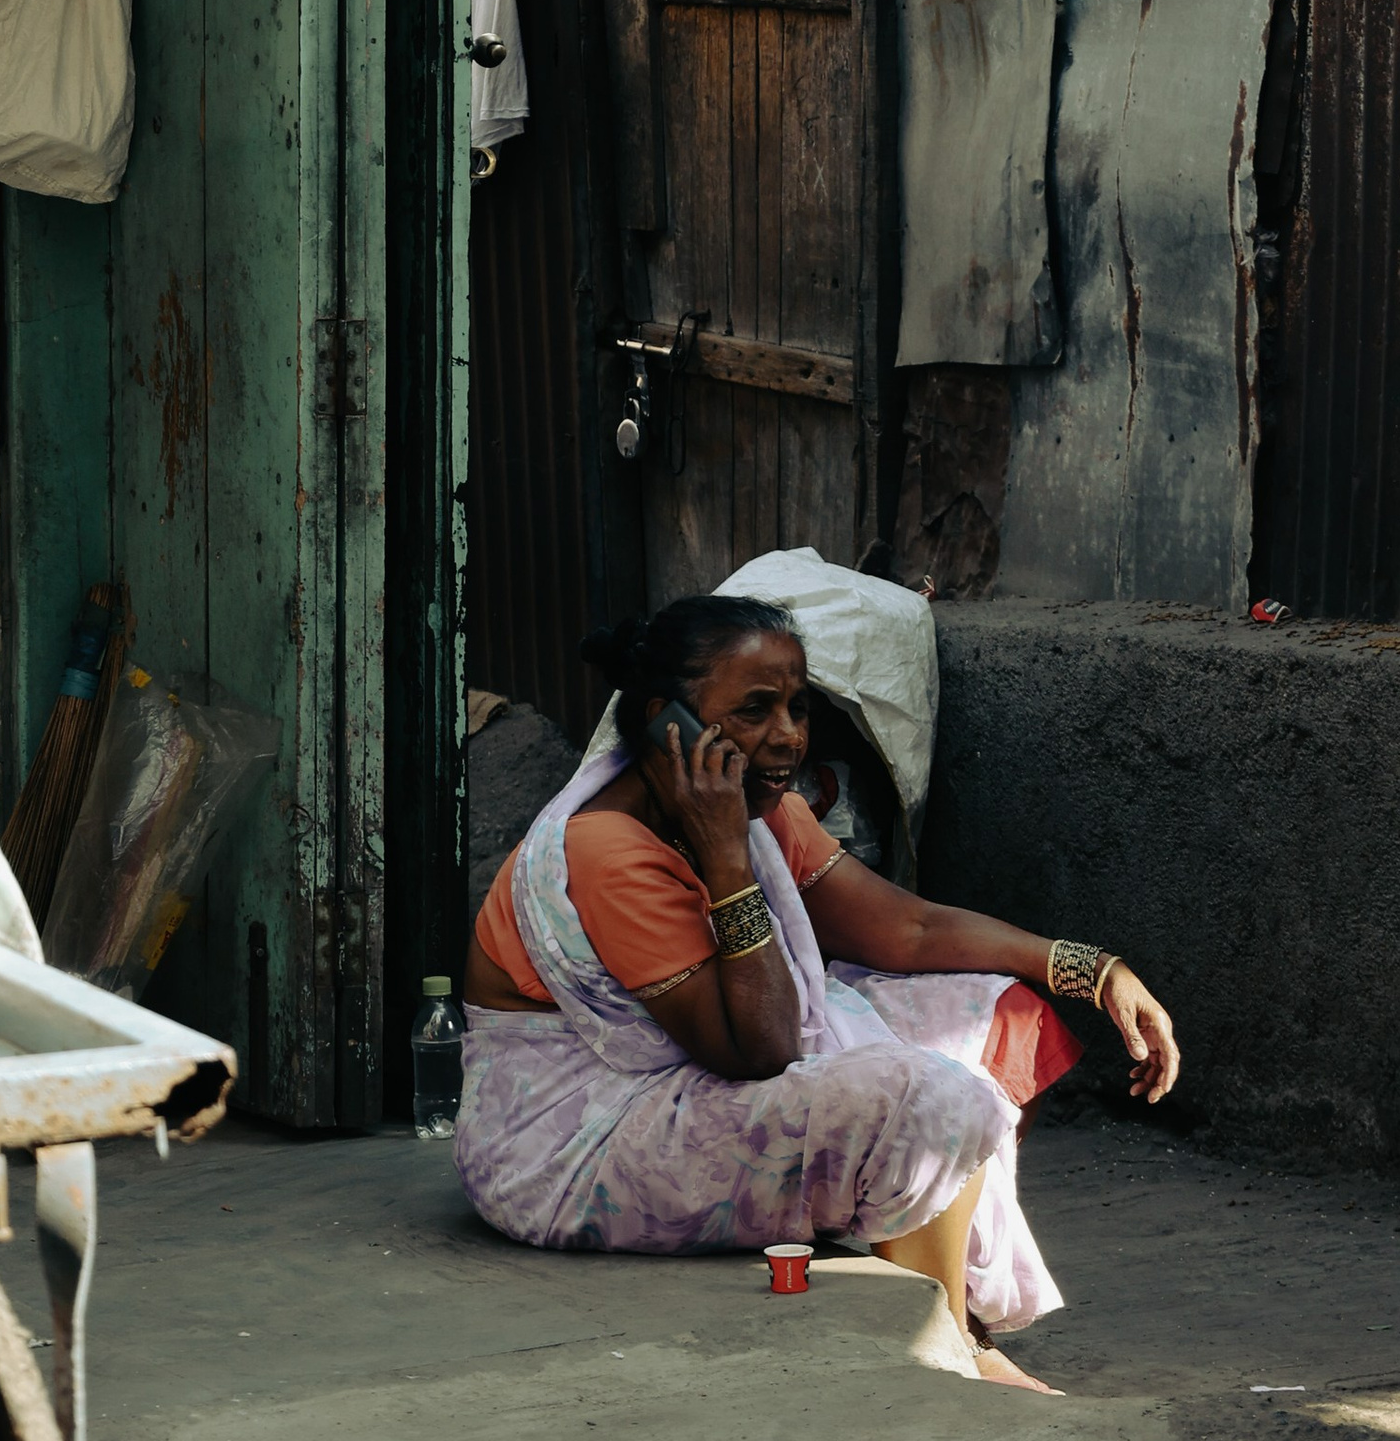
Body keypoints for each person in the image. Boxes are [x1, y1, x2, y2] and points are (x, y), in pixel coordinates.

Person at [456, 593, 1179, 1390]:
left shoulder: (756, 812)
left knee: (1002, 1016)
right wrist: (726, 857)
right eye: (755, 709)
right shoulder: (611, 851)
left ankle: (928, 1292)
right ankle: (947, 1350)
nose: (791, 737)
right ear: (671, 722)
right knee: (924, 1098)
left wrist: (1093, 971)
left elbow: (907, 932)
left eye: (798, 707)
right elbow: (758, 1051)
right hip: (571, 1144)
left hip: (703, 1070)